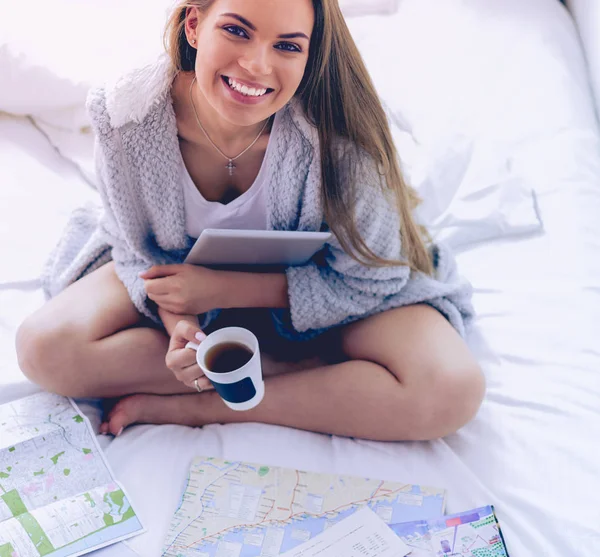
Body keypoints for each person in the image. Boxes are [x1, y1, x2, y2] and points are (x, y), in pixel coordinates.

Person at [16, 0, 485, 442]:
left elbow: (370, 279)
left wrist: (222, 290)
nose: (257, 66)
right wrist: (181, 322)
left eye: (287, 46)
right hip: (177, 273)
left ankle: (205, 403)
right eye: (236, 30)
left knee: (451, 388)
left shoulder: (342, 141)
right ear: (194, 26)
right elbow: (135, 248)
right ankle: (307, 369)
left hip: (324, 288)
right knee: (44, 348)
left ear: (309, 55)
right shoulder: (126, 116)